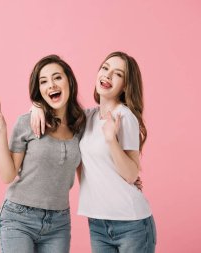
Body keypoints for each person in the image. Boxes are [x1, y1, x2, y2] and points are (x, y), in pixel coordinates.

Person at [31, 51, 157, 253]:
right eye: (105, 68)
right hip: (98, 223)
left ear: (125, 85)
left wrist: (111, 140)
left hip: (131, 223)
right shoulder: (86, 117)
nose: (107, 75)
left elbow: (132, 174)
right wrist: (36, 105)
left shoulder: (125, 118)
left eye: (118, 74)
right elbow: (56, 109)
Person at [0, 54, 86, 253]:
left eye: (57, 77)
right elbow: (7, 175)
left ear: (69, 82)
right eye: (43, 81)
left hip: (59, 222)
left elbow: (90, 170)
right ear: (39, 90)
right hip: (18, 218)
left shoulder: (81, 125)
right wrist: (1, 133)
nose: (51, 85)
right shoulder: (27, 122)